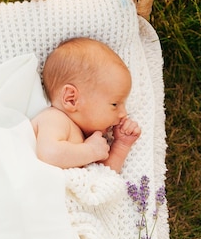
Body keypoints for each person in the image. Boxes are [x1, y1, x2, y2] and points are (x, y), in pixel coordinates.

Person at [31, 37, 141, 173]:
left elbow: (104, 176)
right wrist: (90, 151)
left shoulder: (84, 141)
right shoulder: (54, 118)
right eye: (114, 104)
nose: (124, 113)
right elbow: (49, 153)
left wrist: (121, 145)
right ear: (71, 99)